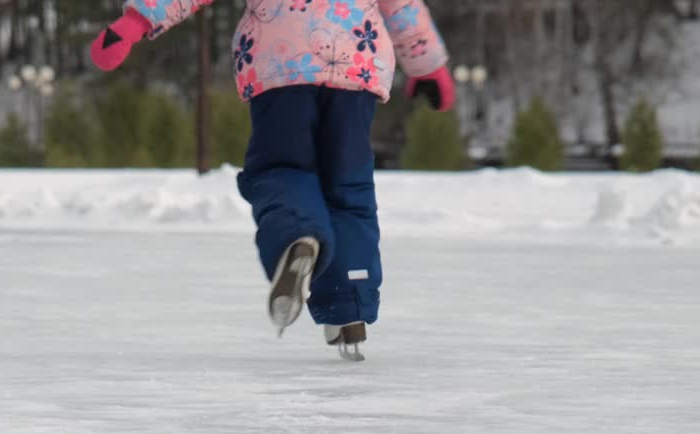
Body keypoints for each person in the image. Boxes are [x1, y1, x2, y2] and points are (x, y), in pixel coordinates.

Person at [91, 0, 454, 361]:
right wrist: (427, 66)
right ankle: (350, 303)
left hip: (282, 59)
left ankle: (296, 234)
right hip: (356, 60)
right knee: (348, 188)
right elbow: (402, 5)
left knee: (282, 168)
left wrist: (135, 22)